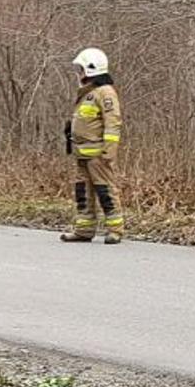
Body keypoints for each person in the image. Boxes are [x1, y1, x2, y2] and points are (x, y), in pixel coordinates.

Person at [61, 48, 123, 244]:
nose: (78, 73)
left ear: (91, 69)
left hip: (98, 155)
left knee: (105, 191)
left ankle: (115, 229)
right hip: (82, 153)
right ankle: (84, 230)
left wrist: (108, 151)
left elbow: (113, 123)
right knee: (83, 193)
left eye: (81, 69)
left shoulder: (105, 92)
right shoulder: (87, 93)